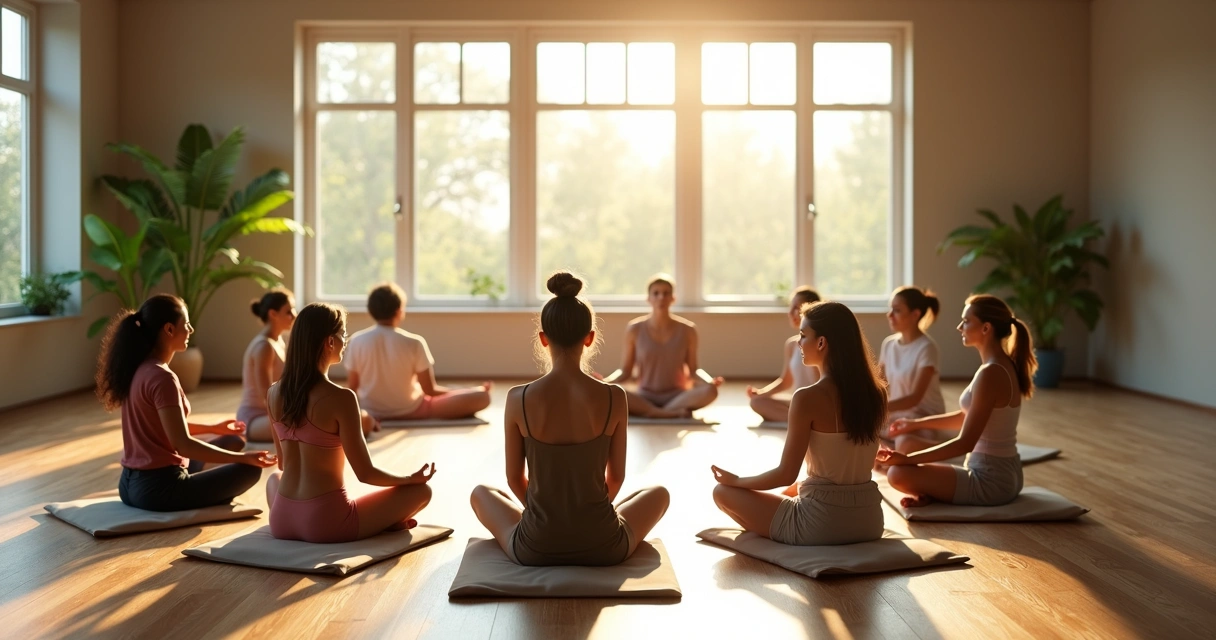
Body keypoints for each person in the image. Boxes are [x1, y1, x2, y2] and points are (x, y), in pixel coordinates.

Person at [470, 272, 670, 565]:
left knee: (481, 493)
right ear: (589, 339)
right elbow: (616, 477)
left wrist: (548, 514)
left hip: (535, 547)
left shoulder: (518, 399)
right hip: (604, 545)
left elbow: (514, 479)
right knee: (658, 494)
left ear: (543, 339)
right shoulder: (615, 396)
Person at [710, 301, 887, 545]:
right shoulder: (877, 393)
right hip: (870, 522)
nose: (798, 342)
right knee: (792, 490)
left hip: (821, 525)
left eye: (803, 335)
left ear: (822, 343)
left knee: (722, 493)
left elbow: (785, 473)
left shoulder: (807, 397)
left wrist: (737, 481)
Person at [265, 303, 436, 543]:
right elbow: (365, 473)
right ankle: (386, 522)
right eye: (343, 335)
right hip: (327, 524)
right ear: (330, 342)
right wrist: (410, 479)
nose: (346, 342)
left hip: (281, 521)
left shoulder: (273, 393)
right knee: (421, 492)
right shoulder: (342, 398)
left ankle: (380, 521)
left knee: (275, 478)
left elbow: (282, 462)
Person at [95, 294, 276, 512]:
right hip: (159, 489)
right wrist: (244, 458)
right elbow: (183, 444)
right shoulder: (162, 377)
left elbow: (163, 428)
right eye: (187, 324)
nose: (190, 330)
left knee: (231, 440)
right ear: (169, 329)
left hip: (128, 485)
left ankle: (204, 479)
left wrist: (213, 428)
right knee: (249, 470)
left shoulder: (138, 368)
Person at [877, 294, 1037, 507]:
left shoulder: (991, 372)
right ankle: (935, 492)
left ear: (986, 328)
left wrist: (907, 459)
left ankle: (934, 492)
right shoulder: (999, 366)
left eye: (966, 321)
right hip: (1005, 475)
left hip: (991, 481)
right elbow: (966, 417)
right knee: (904, 460)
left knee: (897, 473)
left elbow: (965, 443)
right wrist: (914, 424)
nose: (959, 327)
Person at [346, 282, 491, 422]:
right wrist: (468, 390)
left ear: (371, 311)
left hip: (370, 411)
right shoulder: (414, 342)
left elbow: (352, 388)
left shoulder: (356, 341)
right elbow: (430, 390)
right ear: (399, 311)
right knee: (483, 397)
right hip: (414, 410)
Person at [602, 274, 723, 418]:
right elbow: (625, 371)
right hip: (645, 395)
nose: (661, 297)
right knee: (611, 392)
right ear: (649, 298)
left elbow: (693, 370)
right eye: (656, 293)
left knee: (711, 391)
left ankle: (653, 412)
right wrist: (605, 382)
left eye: (666, 293)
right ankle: (667, 413)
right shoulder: (634, 329)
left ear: (673, 298)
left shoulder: (688, 330)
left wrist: (710, 381)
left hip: (677, 396)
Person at [878, 286, 948, 452]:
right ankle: (892, 452)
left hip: (923, 418)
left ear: (915, 314)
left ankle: (949, 450)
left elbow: (914, 398)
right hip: (896, 414)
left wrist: (878, 407)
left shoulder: (927, 347)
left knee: (903, 441)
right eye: (890, 309)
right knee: (860, 431)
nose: (890, 315)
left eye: (897, 310)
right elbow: (881, 383)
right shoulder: (888, 344)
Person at [747, 286, 823, 422]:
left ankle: (803, 422)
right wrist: (760, 393)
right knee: (756, 402)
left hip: (817, 403)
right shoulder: (791, 345)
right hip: (799, 403)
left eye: (796, 308)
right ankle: (802, 423)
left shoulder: (821, 343)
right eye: (790, 308)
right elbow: (785, 382)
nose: (791, 313)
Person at [238, 288, 295, 442]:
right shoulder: (264, 346)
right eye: (288, 311)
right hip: (254, 419)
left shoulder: (278, 342)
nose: (294, 315)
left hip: (272, 415)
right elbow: (267, 395)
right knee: (306, 425)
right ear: (273, 314)